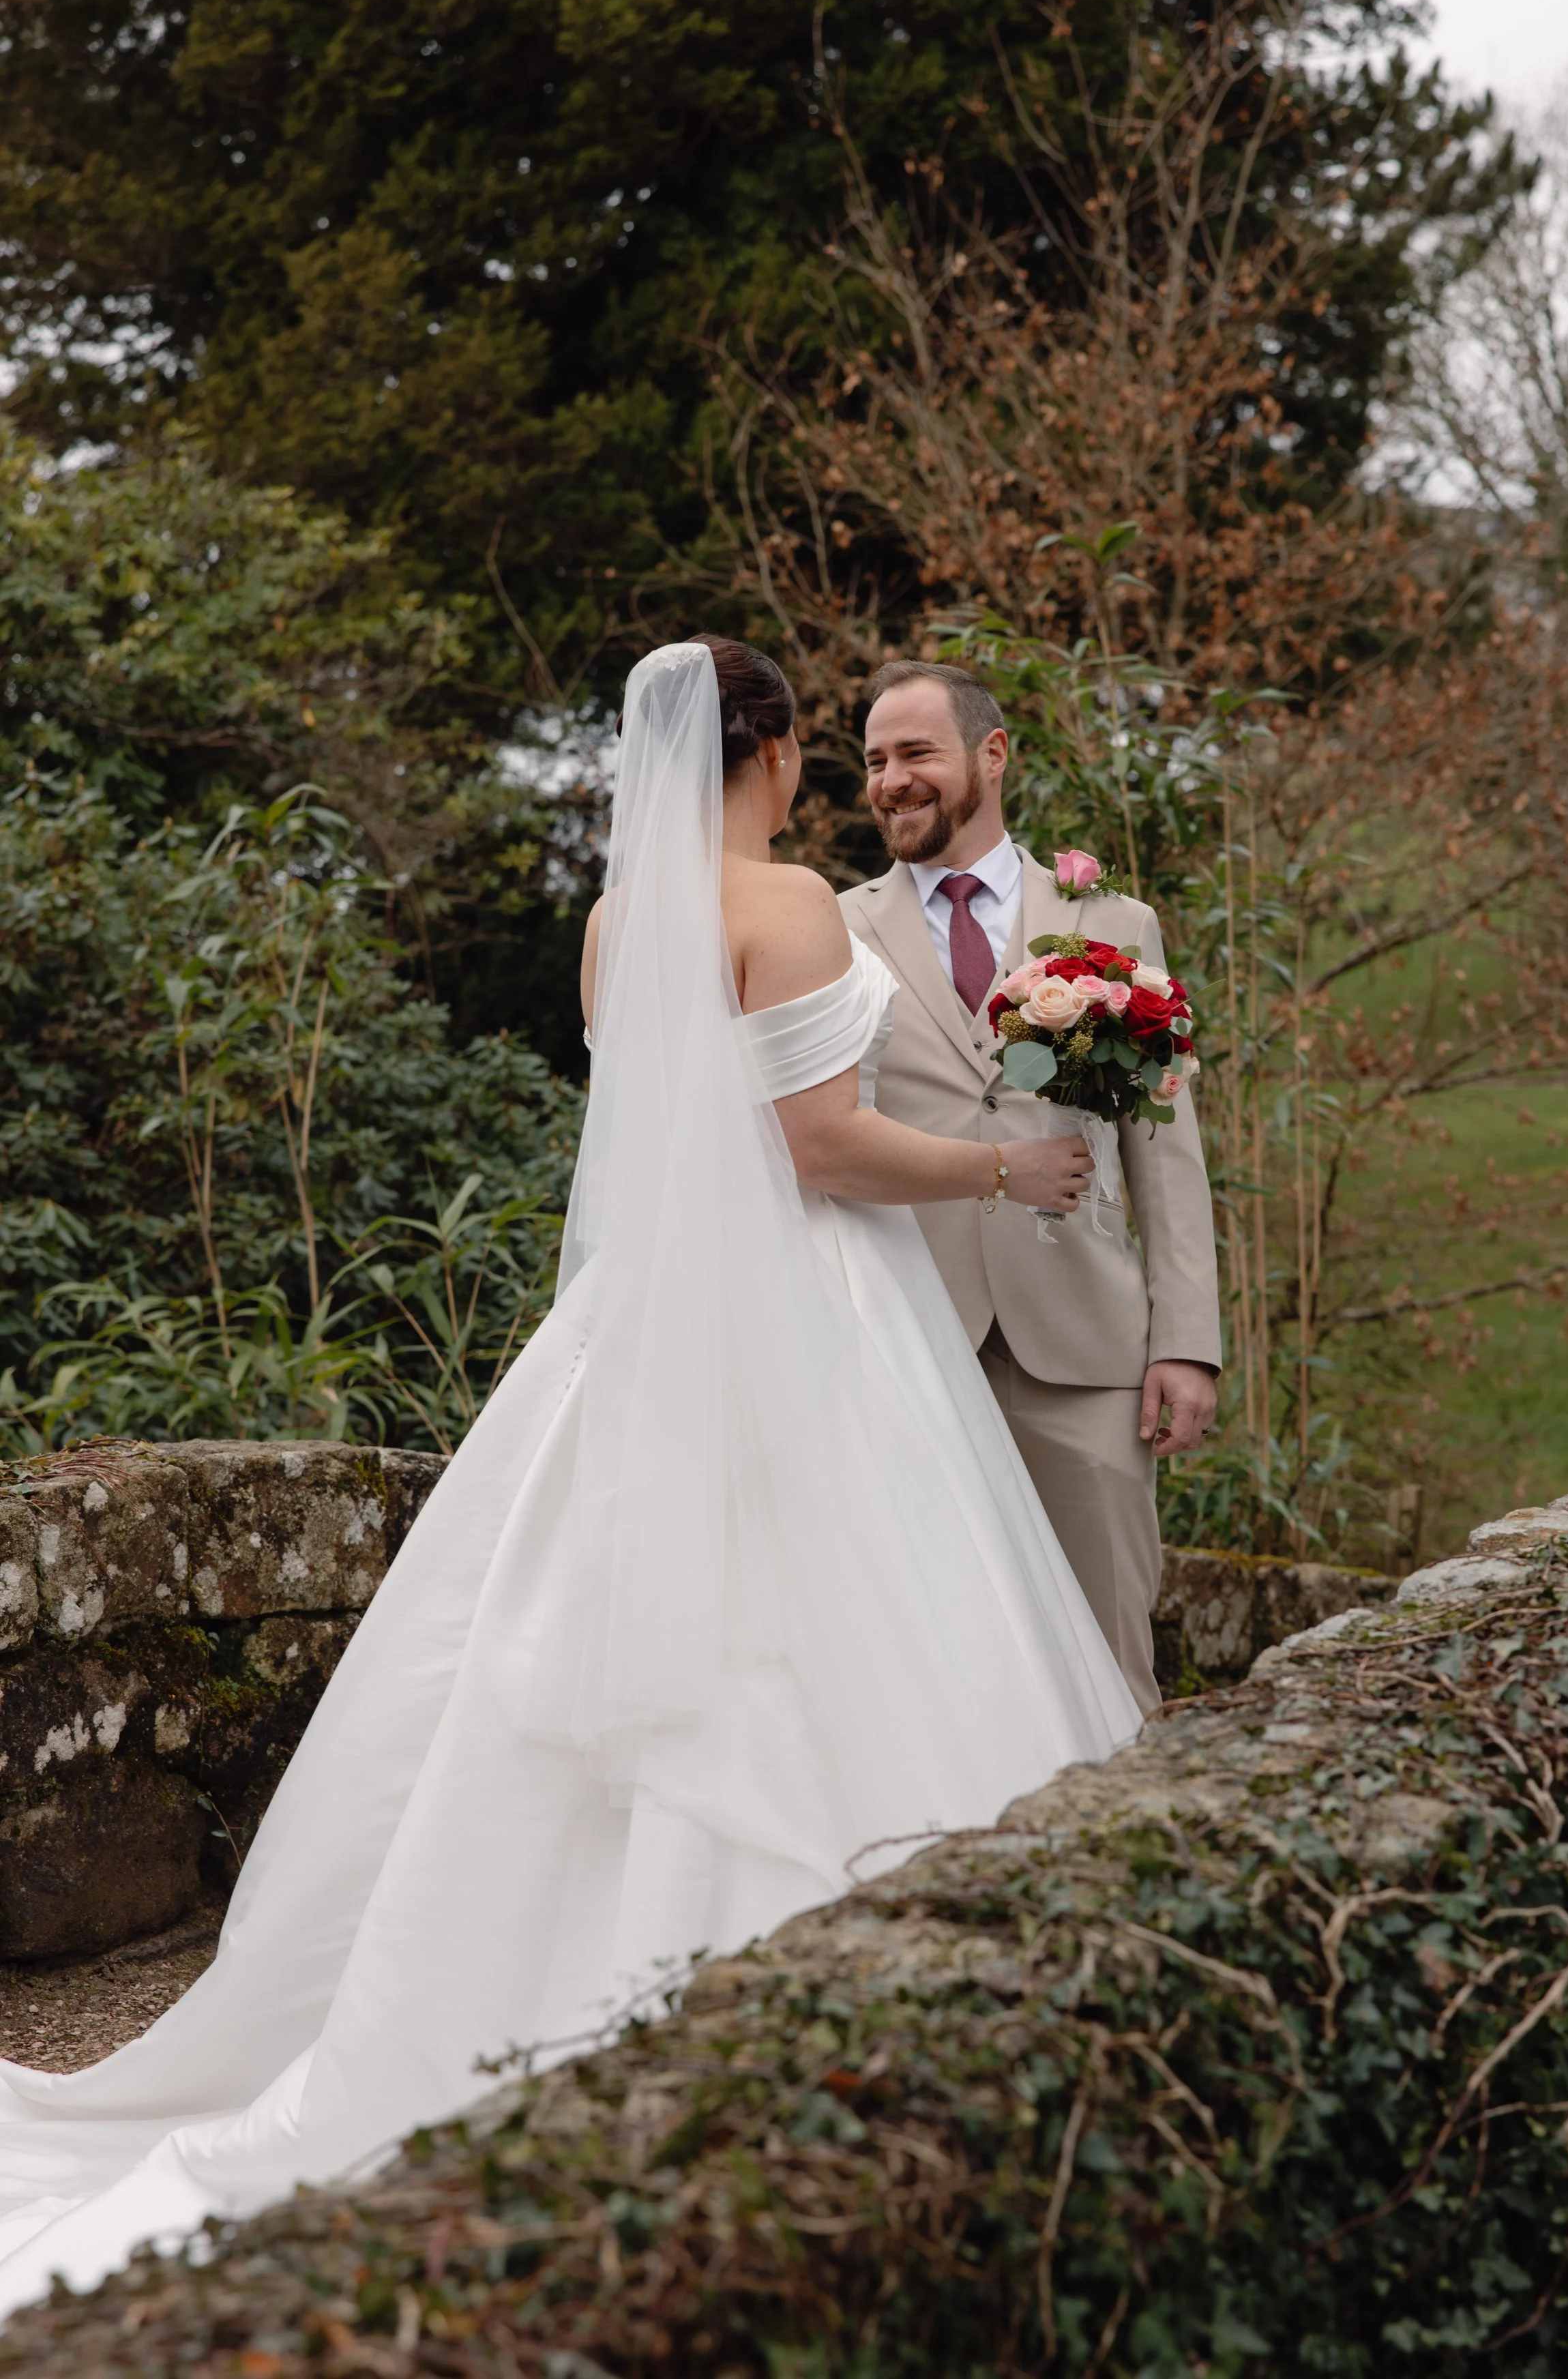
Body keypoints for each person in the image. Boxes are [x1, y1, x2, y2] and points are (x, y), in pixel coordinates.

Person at [0, 640, 1138, 2320]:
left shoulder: (618, 927)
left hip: (640, 1333)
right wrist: (1001, 1163)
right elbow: (814, 1150)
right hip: (817, 1318)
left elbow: (681, 1142)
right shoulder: (789, 903)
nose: (810, 777)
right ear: (762, 750)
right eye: (802, 749)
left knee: (572, 1641)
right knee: (834, 1629)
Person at [842, 660, 1222, 1716]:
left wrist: (1186, 1342)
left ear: (992, 755)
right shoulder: (835, 932)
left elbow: (1168, 1149)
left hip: (1086, 1348)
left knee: (1109, 1664)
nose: (891, 781)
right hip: (908, 1343)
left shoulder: (1112, 921)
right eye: (874, 761)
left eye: (916, 753)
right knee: (922, 1668)